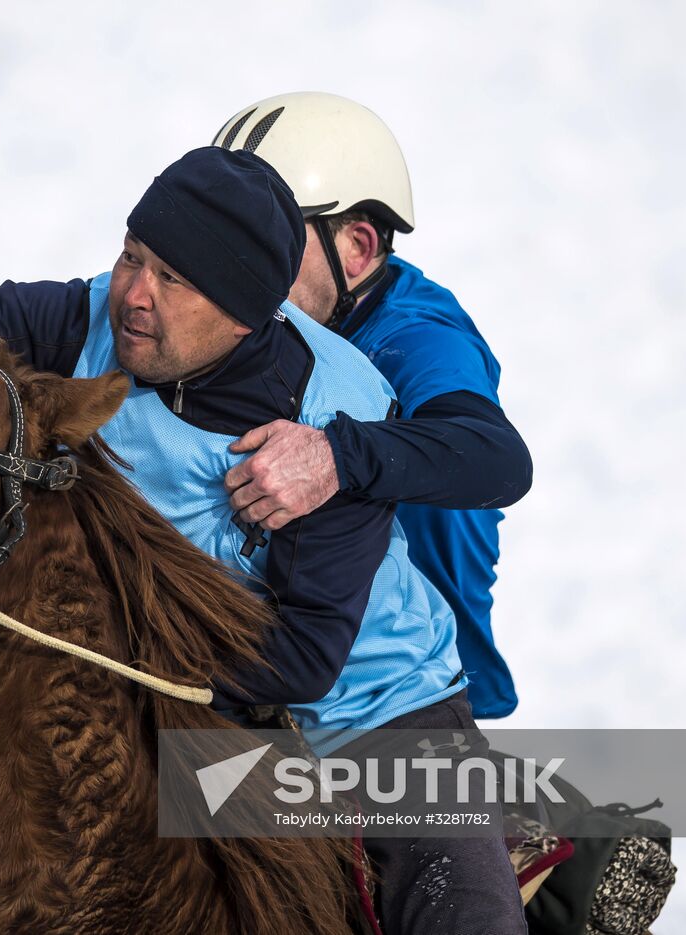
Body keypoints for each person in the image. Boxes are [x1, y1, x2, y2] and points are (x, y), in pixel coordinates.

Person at [0, 145, 527, 933]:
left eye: (173, 279)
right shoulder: (84, 322)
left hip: (364, 718)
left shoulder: (328, 418)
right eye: (132, 256)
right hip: (137, 666)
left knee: (470, 916)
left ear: (244, 314)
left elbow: (300, 662)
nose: (134, 293)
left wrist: (74, 659)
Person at [215, 93, 532, 721]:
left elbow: (497, 457)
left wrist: (335, 455)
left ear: (357, 249)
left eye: (268, 239)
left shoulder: (416, 338)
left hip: (402, 684)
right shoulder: (268, 313)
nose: (232, 268)